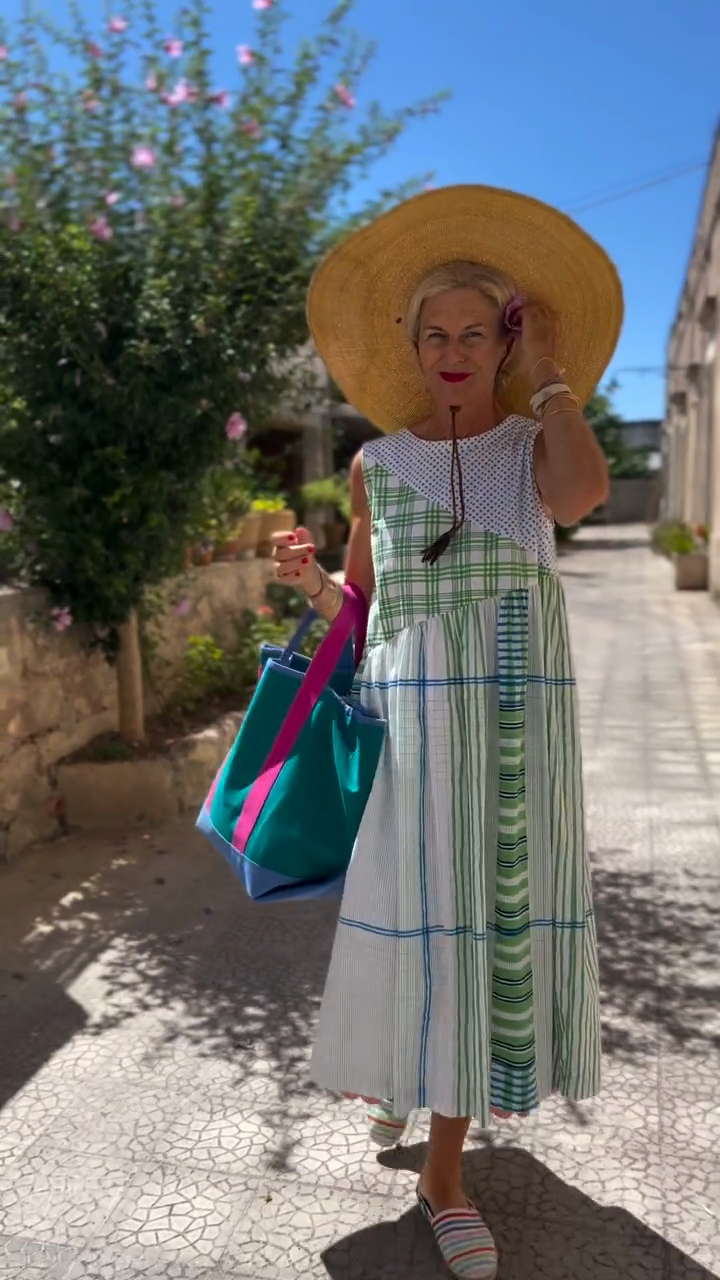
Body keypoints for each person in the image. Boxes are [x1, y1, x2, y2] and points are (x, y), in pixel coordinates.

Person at [273, 185, 623, 1280]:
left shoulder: (532, 444)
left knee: (486, 930)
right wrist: (311, 583)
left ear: (504, 341)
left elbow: (583, 497)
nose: (457, 351)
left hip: (516, 735)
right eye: (438, 335)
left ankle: (444, 1175)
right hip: (413, 738)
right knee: (420, 927)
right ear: (413, 348)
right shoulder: (376, 465)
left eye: (479, 332)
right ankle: (417, 1099)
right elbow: (366, 608)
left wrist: (552, 375)